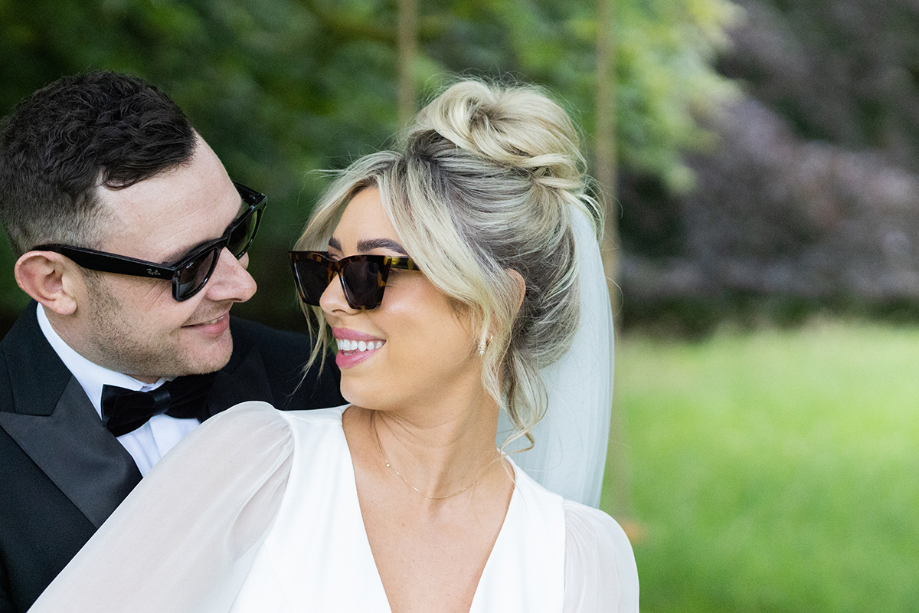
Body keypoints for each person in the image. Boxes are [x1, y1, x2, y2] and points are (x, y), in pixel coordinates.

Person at [28, 80, 637, 611]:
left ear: (492, 303)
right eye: (323, 267)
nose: (330, 300)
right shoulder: (256, 461)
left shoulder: (582, 557)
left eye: (370, 271)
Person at [0, 71, 343, 613]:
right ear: (54, 282)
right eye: (188, 267)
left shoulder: (322, 381)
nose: (242, 284)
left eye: (236, 235)